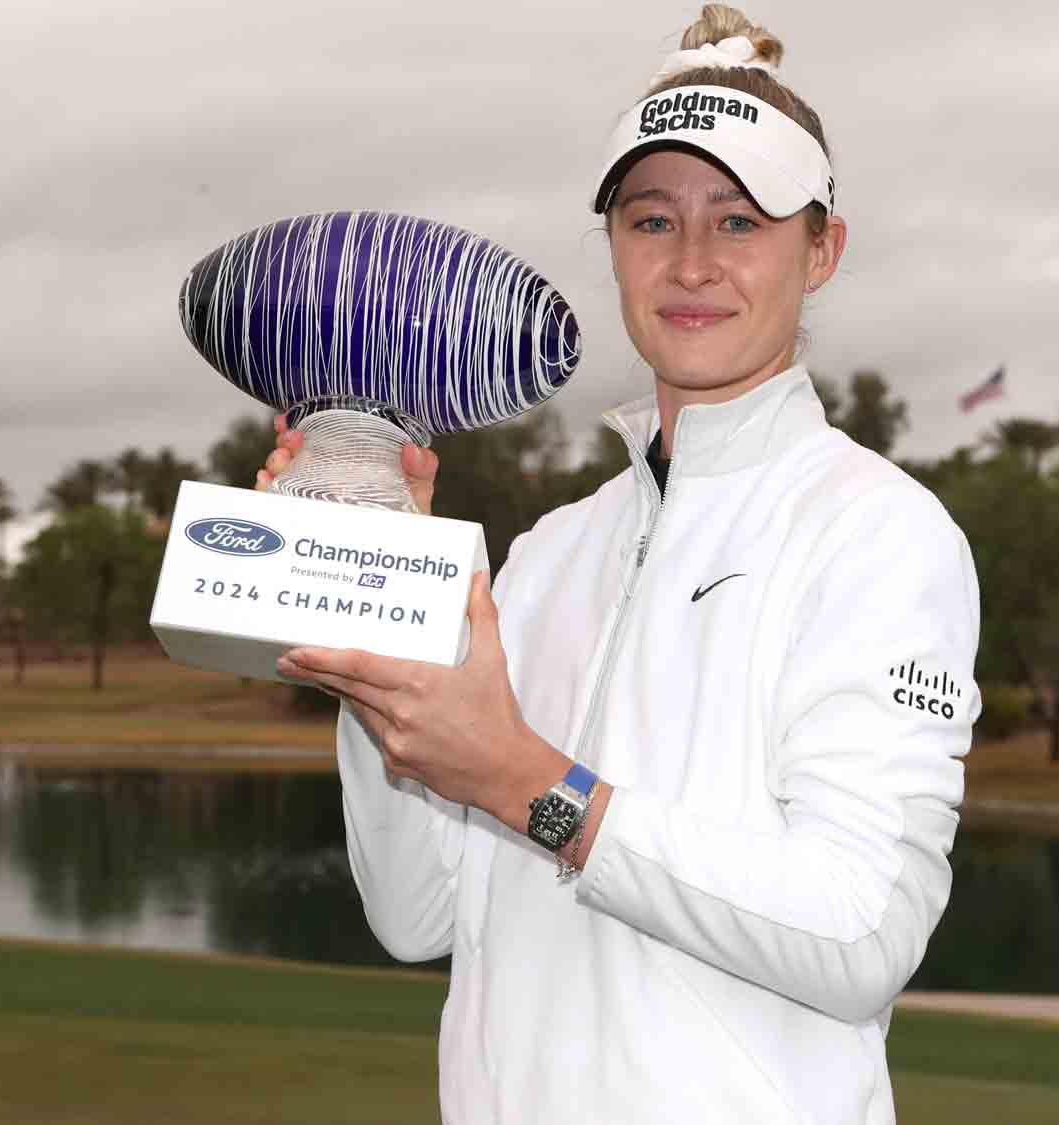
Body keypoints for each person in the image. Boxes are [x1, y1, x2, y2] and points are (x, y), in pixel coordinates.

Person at [268, 6, 981, 1121]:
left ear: (821, 248)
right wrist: (377, 600)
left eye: (739, 220)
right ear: (611, 246)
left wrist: (525, 782)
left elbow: (860, 933)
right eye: (651, 220)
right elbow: (413, 919)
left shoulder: (879, 533)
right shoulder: (550, 552)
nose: (691, 263)